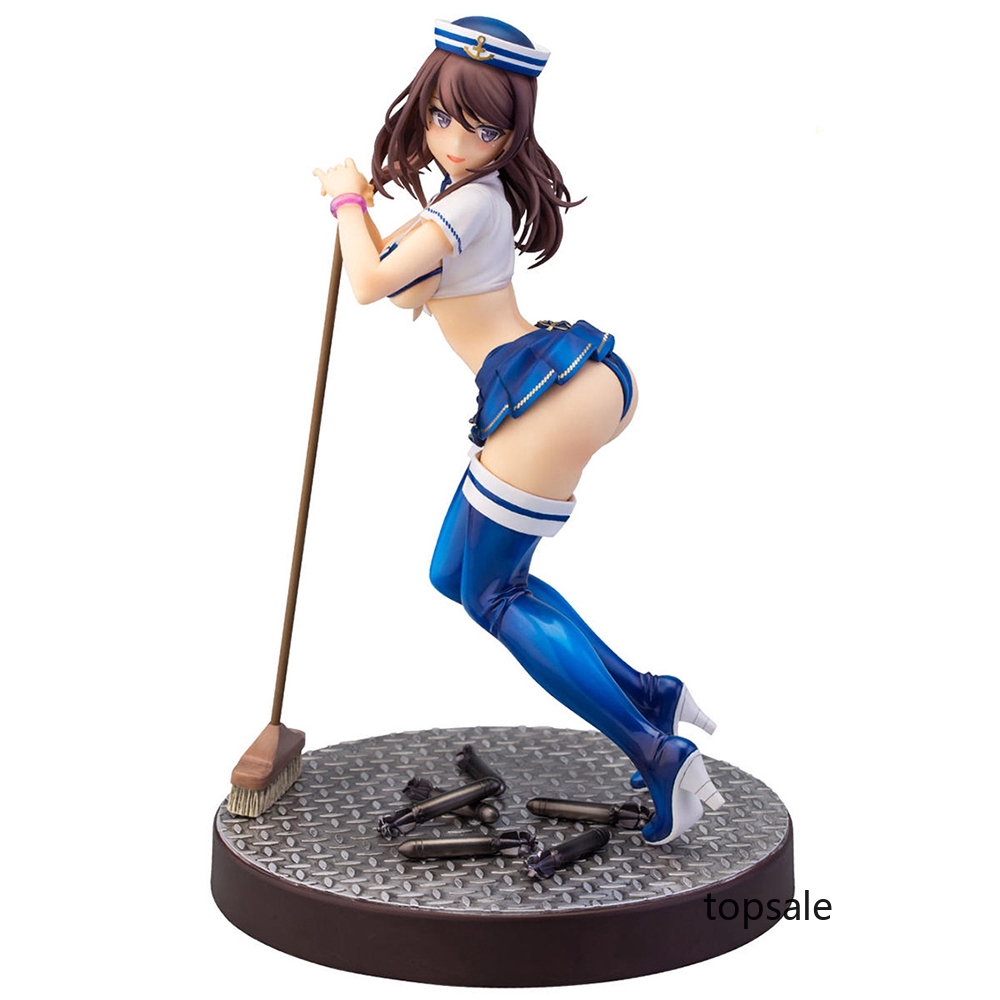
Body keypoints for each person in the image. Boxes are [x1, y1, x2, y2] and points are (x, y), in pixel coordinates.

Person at [313, 16, 723, 844]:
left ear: (511, 130)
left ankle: (657, 751)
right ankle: (649, 694)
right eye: (442, 116)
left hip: (545, 398)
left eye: (482, 126)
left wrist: (346, 198)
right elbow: (401, 279)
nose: (455, 139)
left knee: (493, 594)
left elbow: (369, 283)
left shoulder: (468, 201)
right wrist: (373, 221)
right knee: (454, 575)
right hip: (556, 383)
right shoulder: (465, 199)